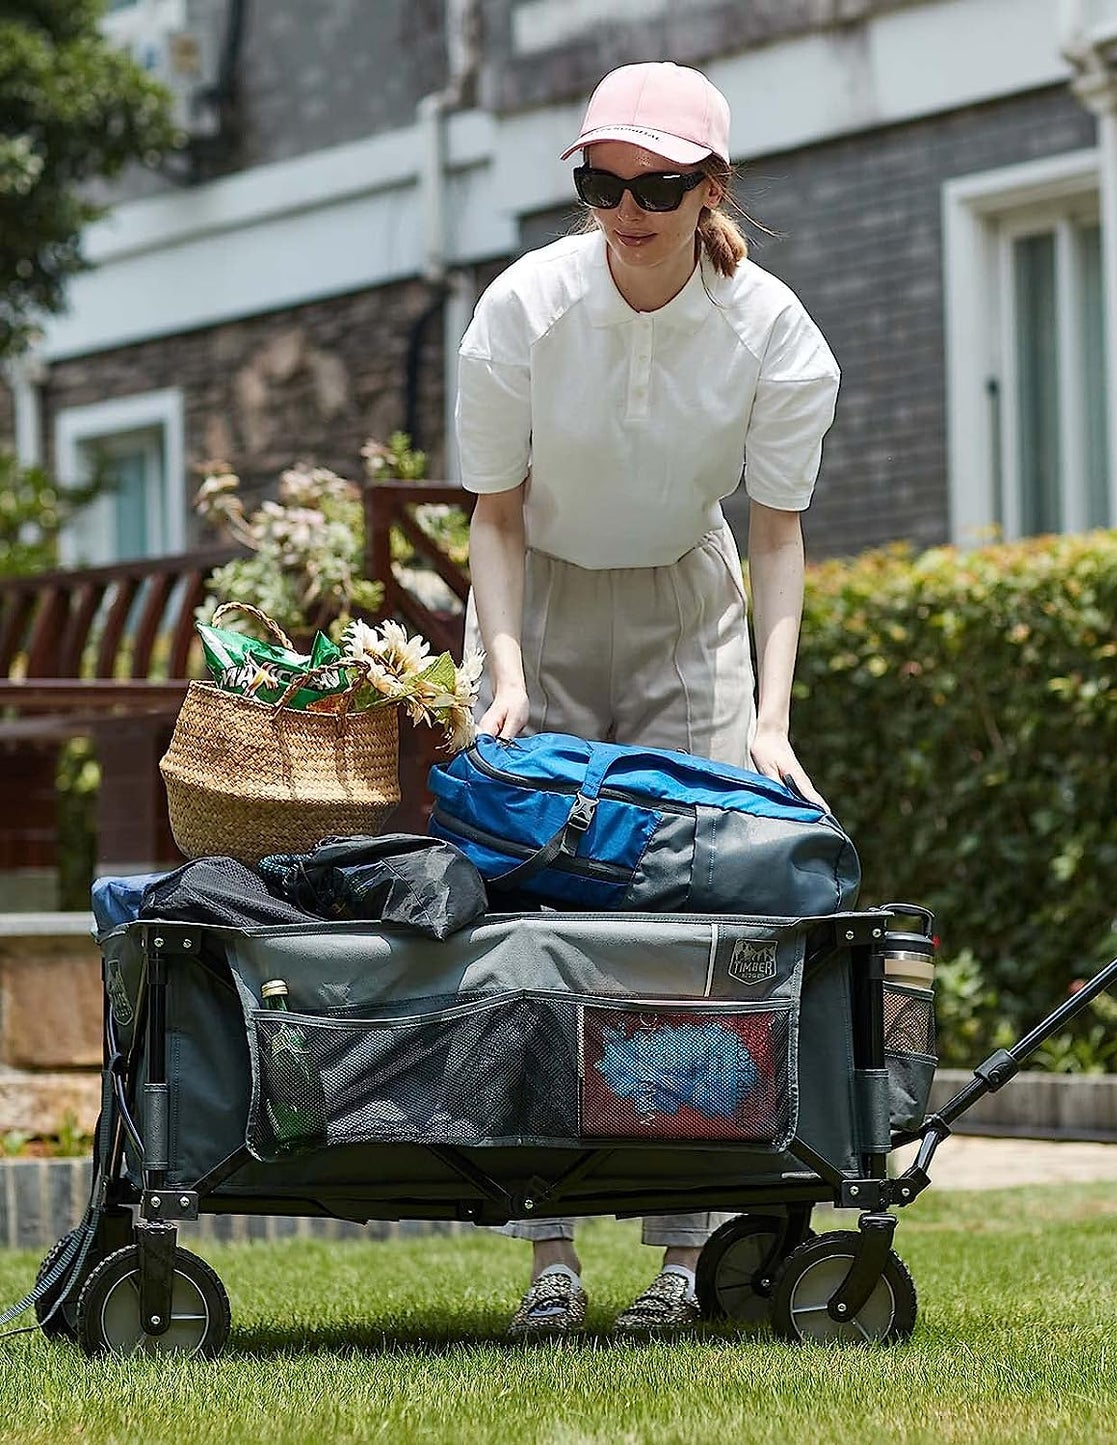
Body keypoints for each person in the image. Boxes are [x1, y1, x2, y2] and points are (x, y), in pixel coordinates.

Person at [455, 59, 840, 1342]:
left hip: (685, 598)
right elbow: (495, 512)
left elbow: (774, 535)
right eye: (602, 180)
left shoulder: (772, 332)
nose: (626, 206)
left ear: (708, 188)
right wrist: (506, 680)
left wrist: (767, 725)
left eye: (658, 183)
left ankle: (678, 1258)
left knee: (696, 919)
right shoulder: (524, 306)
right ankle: (546, 1257)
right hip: (540, 595)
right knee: (519, 907)